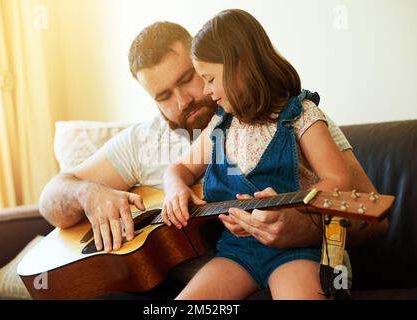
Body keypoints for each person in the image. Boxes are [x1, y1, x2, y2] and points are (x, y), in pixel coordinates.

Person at [38, 19, 387, 296]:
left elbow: (368, 213)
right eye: (163, 95)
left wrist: (305, 229)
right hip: (225, 263)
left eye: (193, 78)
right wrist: (90, 193)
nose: (187, 99)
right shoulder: (148, 140)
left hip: (297, 261)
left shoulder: (300, 117)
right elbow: (53, 196)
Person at [160, 9, 366, 300]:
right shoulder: (220, 125)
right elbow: (179, 169)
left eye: (210, 79)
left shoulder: (301, 114)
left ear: (239, 67)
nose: (207, 91)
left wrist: (291, 211)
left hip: (299, 250)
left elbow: (340, 181)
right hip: (236, 252)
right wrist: (174, 189)